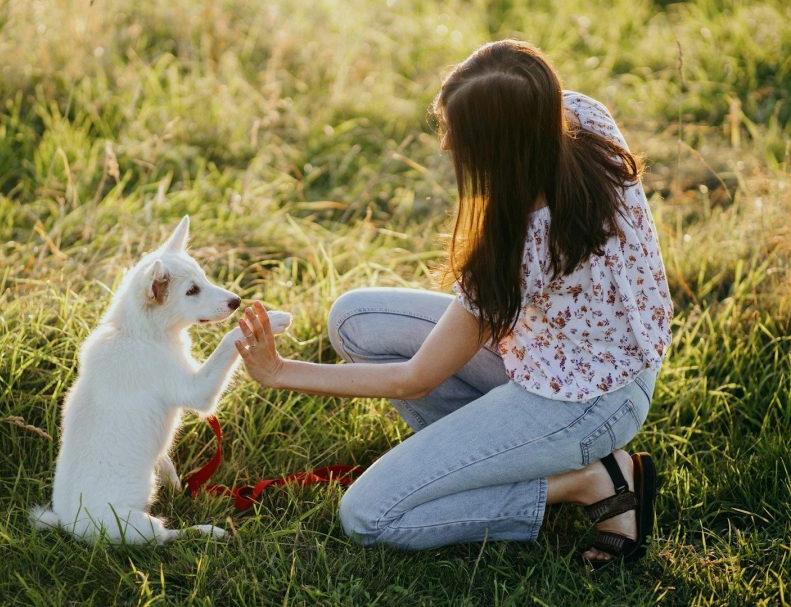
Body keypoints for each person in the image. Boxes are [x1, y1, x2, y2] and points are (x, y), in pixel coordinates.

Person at [234, 39, 673, 569]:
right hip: (572, 357)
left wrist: (279, 371)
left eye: (456, 135)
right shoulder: (582, 118)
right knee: (355, 321)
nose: (445, 146)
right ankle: (495, 458)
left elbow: (412, 380)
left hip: (589, 406)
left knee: (369, 515)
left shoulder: (514, 247)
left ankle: (586, 481)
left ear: (500, 146)